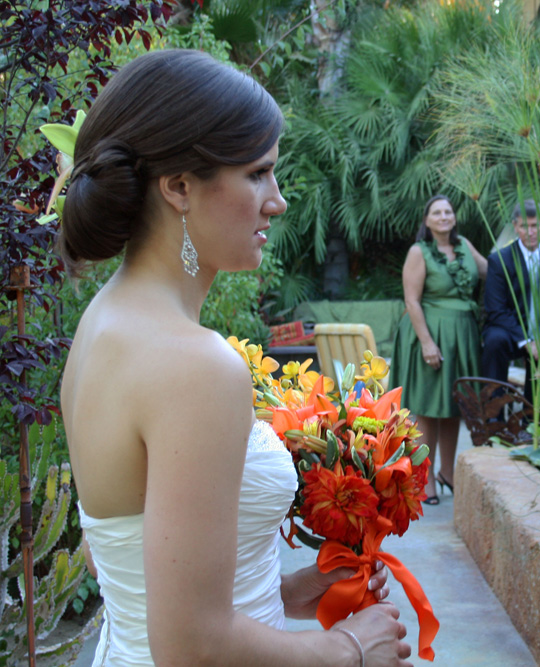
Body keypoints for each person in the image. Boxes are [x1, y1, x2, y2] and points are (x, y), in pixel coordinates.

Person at [59, 50, 411, 666]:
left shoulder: (102, 327)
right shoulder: (195, 366)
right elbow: (191, 647)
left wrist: (279, 591)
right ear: (179, 187)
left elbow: (122, 558)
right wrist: (348, 648)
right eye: (257, 174)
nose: (276, 200)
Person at [391, 195, 487, 504]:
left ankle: (448, 471)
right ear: (427, 220)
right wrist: (427, 342)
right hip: (430, 334)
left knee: (453, 405)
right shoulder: (419, 252)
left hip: (462, 337)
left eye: (448, 211)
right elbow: (411, 300)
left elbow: (492, 270)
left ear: (454, 217)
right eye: (437, 212)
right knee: (429, 407)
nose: (444, 216)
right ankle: (425, 476)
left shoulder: (465, 247)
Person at [481, 199, 540, 404]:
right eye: (524, 226)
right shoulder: (499, 260)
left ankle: (536, 414)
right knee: (494, 341)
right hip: (510, 330)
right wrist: (527, 340)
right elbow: (496, 310)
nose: (531, 232)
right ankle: (494, 414)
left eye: (535, 225)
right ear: (515, 226)